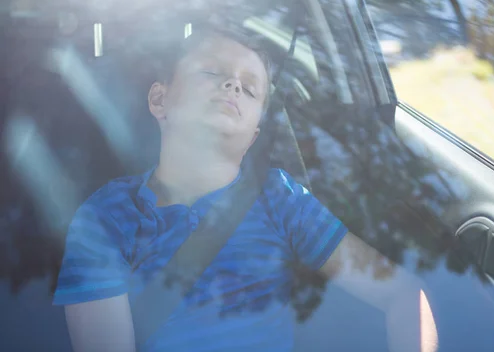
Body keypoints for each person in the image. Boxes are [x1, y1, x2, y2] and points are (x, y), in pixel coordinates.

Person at [52, 27, 438, 352]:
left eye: (250, 89)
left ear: (253, 135)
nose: (233, 84)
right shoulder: (107, 217)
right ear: (159, 98)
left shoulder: (281, 199)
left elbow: (404, 295)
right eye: (211, 72)